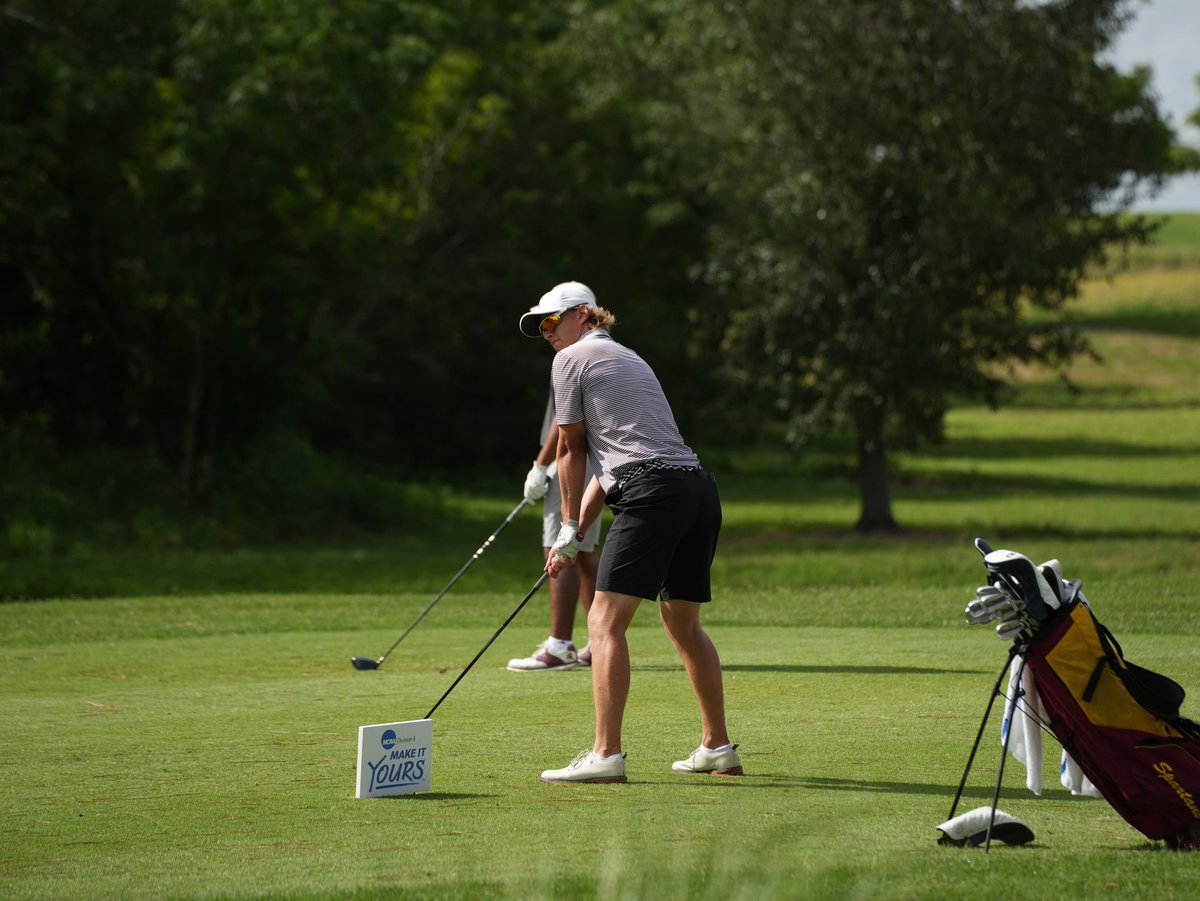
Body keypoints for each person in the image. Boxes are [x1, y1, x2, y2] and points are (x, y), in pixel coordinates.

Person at [517, 281, 741, 784]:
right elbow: (605, 465)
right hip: (696, 490)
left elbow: (570, 451)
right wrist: (573, 538)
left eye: (552, 322)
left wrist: (569, 525)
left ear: (582, 316)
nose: (547, 335)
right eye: (541, 328)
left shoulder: (570, 361)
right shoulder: (630, 359)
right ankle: (717, 747)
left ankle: (606, 755)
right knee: (683, 625)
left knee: (602, 621)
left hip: (652, 491)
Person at [507, 397, 601, 673]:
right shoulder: (597, 354)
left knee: (559, 545)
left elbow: (565, 418)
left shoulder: (568, 356)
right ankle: (600, 643)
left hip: (575, 457)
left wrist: (540, 464)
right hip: (590, 457)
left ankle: (560, 646)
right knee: (583, 552)